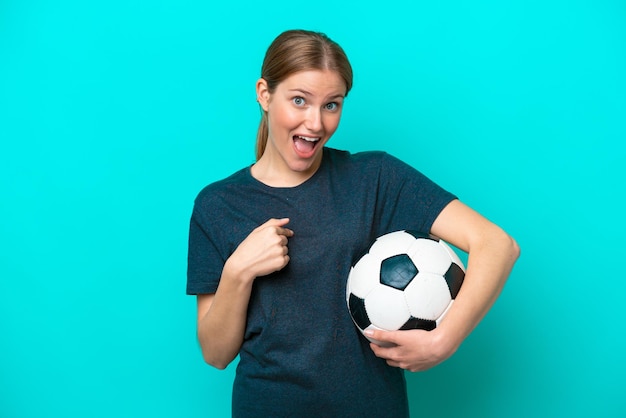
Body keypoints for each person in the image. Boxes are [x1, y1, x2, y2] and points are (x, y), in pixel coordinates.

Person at [187, 29, 520, 417]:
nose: (315, 123)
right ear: (264, 94)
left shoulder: (373, 177)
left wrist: (445, 340)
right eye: (299, 101)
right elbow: (215, 353)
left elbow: (497, 244)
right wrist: (238, 271)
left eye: (332, 105)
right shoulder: (217, 204)